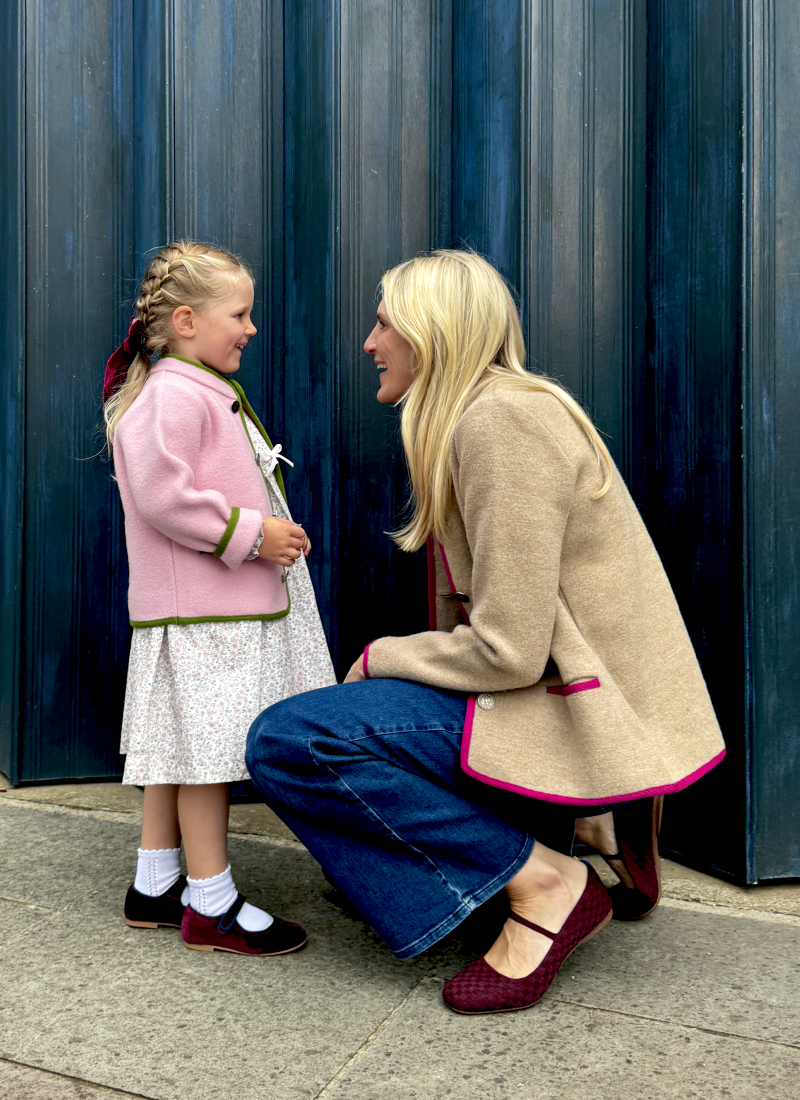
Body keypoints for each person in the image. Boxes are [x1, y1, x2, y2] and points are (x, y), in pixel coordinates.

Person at [245, 250, 725, 1013]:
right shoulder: (489, 416)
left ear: (433, 332)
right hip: (546, 697)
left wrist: (382, 657)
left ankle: (549, 882)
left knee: (292, 740)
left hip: (559, 704)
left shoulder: (503, 421)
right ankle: (580, 829)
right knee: (356, 787)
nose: (369, 343)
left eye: (383, 323)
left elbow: (509, 649)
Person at [103, 240, 336, 957]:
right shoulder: (174, 394)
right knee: (205, 758)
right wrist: (250, 535)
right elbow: (165, 495)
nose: (251, 328)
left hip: (207, 608)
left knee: (179, 747)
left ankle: (154, 883)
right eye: (240, 313)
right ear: (185, 321)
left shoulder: (194, 388)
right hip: (208, 610)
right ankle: (211, 901)